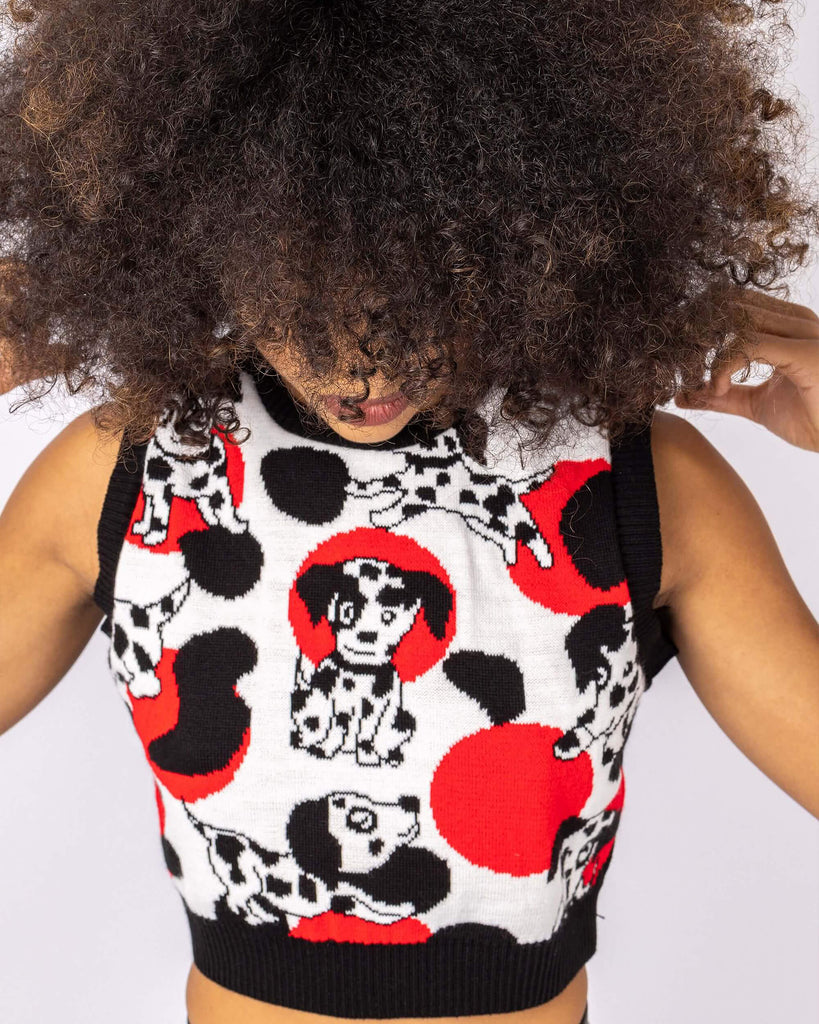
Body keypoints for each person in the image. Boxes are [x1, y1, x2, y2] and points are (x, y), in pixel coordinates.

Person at [0, 3, 818, 1024]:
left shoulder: (628, 485)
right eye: (299, 287)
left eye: (419, 285)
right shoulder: (130, 472)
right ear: (200, 233)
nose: (361, 361)